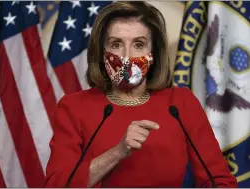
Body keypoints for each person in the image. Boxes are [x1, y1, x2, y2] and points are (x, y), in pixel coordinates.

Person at [45, 1, 237, 188]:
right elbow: (57, 185)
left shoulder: (180, 103)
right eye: (116, 44)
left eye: (138, 44)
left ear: (152, 54)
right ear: (103, 53)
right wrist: (117, 152)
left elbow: (219, 181)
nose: (127, 56)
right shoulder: (74, 107)